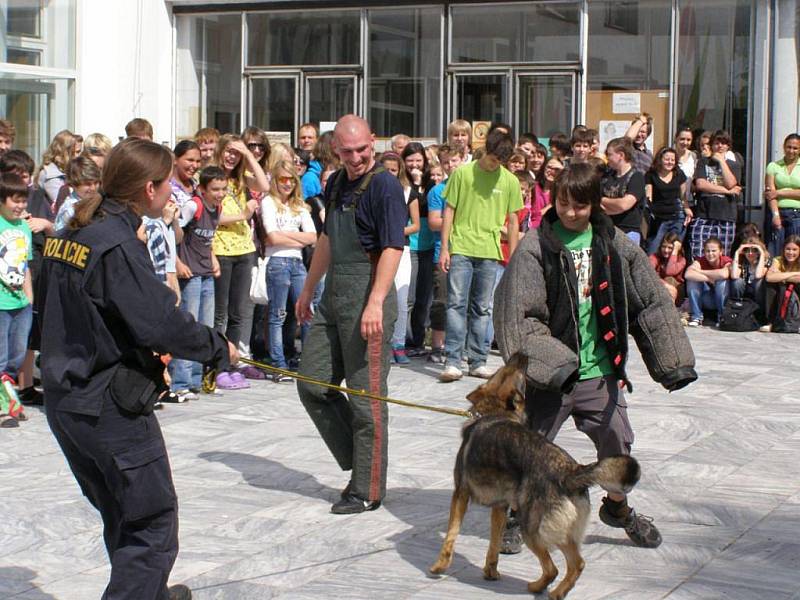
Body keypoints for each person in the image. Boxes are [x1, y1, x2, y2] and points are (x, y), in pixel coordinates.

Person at [37, 138, 238, 600]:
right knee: (152, 525)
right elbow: (161, 323)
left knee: (124, 516)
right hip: (107, 407)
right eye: (168, 182)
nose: (173, 191)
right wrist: (219, 349)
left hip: (67, 401)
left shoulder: (71, 233)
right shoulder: (115, 245)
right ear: (148, 188)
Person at [493, 162, 697, 554]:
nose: (571, 212)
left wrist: (672, 361)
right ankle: (518, 515)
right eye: (564, 204)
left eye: (580, 205)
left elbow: (650, 302)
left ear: (595, 204)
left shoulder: (615, 243)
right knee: (528, 449)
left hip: (600, 372)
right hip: (549, 377)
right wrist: (551, 364)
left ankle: (618, 509)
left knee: (618, 447)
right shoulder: (535, 246)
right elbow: (519, 316)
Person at [295, 115, 406, 514]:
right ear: (336, 151)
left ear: (373, 142)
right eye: (348, 152)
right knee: (311, 383)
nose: (357, 158)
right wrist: (309, 288)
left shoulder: (385, 186)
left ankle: (367, 488)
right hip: (334, 295)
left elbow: (393, 247)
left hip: (368, 297)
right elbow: (326, 237)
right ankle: (360, 460)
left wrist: (375, 301)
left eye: (363, 150)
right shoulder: (336, 181)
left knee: (366, 399)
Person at [438, 128, 522, 382]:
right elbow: (449, 211)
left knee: (482, 308)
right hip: (461, 247)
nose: (495, 164)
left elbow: (514, 220)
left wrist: (515, 256)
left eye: (500, 161)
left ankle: (477, 360)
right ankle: (453, 360)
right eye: (493, 158)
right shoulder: (463, 173)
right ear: (485, 149)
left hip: (489, 251)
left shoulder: (509, 180)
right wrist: (445, 248)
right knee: (456, 304)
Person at [211, 134, 269, 388]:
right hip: (221, 249)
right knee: (220, 314)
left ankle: (233, 362)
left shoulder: (240, 180)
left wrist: (247, 154)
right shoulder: (210, 176)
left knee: (238, 313)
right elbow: (211, 215)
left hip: (244, 250)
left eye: (236, 153)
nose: (231, 157)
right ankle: (217, 365)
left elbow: (265, 185)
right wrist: (242, 215)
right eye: (229, 151)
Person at [171, 166, 226, 400]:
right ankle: (180, 381)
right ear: (202, 189)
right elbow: (174, 233)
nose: (220, 193)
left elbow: (207, 240)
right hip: (190, 273)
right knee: (189, 325)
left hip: (205, 272)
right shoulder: (194, 205)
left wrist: (213, 259)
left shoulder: (218, 208)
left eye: (223, 189)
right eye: (214, 189)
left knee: (206, 327)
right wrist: (177, 263)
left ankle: (197, 378)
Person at [261, 160, 316, 381]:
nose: (287, 184)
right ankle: (278, 365)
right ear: (275, 180)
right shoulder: (268, 202)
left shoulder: (300, 206)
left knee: (306, 312)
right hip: (276, 262)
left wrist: (288, 238)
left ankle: (310, 363)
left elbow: (313, 237)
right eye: (283, 179)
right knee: (277, 315)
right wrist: (298, 239)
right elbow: (272, 236)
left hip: (296, 263)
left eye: (292, 180)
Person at [0, 174, 33, 427]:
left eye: (24, 200)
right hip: (1, 304)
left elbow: (25, 266)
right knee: (0, 358)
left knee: (16, 357)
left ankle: (10, 398)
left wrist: (29, 298)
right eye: (15, 200)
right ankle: (5, 407)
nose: (20, 206)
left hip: (20, 303)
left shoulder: (23, 228)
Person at [426, 144, 464, 363]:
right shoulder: (438, 191)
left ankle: (461, 345)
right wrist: (457, 220)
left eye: (454, 161)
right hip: (443, 251)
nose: (451, 166)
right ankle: (438, 345)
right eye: (446, 162)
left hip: (468, 249)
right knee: (442, 300)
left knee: (465, 302)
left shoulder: (471, 187)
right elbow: (433, 222)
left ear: (462, 159)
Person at [690, 130, 742, 260]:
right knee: (699, 253)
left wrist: (722, 162)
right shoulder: (703, 162)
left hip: (726, 216)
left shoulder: (734, 165)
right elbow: (701, 184)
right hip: (704, 215)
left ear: (728, 146)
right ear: (711, 145)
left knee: (722, 256)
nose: (720, 146)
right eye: (717, 143)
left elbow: (731, 183)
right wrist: (726, 191)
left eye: (723, 143)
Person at [645, 146, 690, 254]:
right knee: (653, 249)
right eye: (666, 159)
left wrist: (687, 209)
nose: (670, 162)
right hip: (659, 218)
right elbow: (648, 196)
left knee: (673, 249)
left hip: (677, 216)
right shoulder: (651, 175)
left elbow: (683, 197)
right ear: (660, 159)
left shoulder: (679, 174)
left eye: (672, 160)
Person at [602, 137, 646, 245]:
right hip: (607, 230)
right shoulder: (607, 177)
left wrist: (603, 199)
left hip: (628, 232)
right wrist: (615, 206)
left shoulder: (636, 177)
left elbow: (624, 205)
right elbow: (597, 205)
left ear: (621, 155)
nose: (607, 158)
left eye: (610, 154)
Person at [684, 236, 731, 327]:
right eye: (707, 251)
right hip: (708, 298)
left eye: (714, 251)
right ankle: (697, 316)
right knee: (692, 281)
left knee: (721, 282)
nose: (710, 254)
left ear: (721, 252)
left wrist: (701, 272)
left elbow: (724, 274)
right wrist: (709, 279)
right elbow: (688, 274)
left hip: (724, 298)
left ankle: (722, 316)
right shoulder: (701, 261)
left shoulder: (726, 260)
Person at [765, 133, 800, 251]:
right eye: (789, 147)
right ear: (784, 147)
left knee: (794, 251)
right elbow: (770, 194)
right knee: (775, 250)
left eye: (795, 148)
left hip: (797, 215)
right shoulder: (773, 166)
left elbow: (775, 193)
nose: (791, 150)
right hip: (778, 213)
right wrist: (775, 215)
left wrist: (779, 193)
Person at [54, 157, 102, 233]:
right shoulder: (70, 210)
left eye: (96, 183)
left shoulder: (100, 199)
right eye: (87, 184)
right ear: (74, 184)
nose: (93, 188)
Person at [730, 236, 770, 322]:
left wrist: (762, 253)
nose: (750, 253)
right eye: (747, 250)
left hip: (758, 294)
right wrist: (737, 253)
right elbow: (734, 276)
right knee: (737, 282)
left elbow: (758, 275)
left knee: (758, 282)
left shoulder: (766, 262)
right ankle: (736, 309)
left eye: (754, 250)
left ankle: (759, 315)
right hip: (745, 293)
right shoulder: (742, 262)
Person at [37, 130, 78, 206]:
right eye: (75, 152)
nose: (77, 156)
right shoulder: (51, 175)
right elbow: (62, 204)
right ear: (64, 152)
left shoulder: (67, 171)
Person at [649, 232, 687, 305]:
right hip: (659, 287)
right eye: (664, 246)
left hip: (676, 292)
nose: (666, 250)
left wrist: (675, 252)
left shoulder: (682, 260)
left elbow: (669, 271)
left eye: (670, 248)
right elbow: (648, 272)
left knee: (669, 278)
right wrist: (665, 284)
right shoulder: (655, 257)